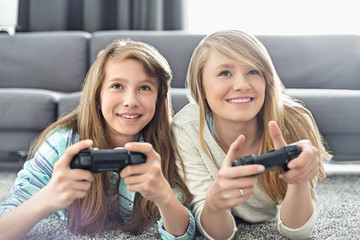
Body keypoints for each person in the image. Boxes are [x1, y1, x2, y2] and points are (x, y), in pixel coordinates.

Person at [0, 39, 195, 240]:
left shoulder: (169, 146)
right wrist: (48, 198)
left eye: (144, 88)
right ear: (97, 97)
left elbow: (183, 232)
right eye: (117, 86)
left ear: (158, 99)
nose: (130, 101)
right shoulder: (62, 143)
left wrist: (164, 196)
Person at [171, 30, 331, 240]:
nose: (242, 85)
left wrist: (298, 182)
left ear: (267, 80)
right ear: (200, 87)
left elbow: (298, 233)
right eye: (225, 73)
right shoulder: (186, 128)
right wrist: (214, 204)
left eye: (253, 71)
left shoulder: (296, 122)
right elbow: (219, 235)